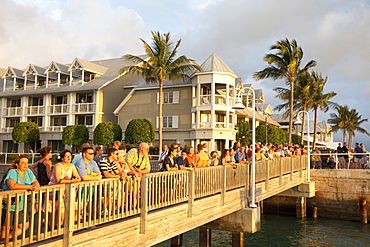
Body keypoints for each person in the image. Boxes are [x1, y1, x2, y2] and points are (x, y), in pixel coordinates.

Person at [0, 155, 40, 239]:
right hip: (8, 205)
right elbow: (12, 185)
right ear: (17, 164)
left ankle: (7, 240)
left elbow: (35, 182)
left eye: (26, 163)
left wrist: (36, 185)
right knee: (5, 229)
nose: (25, 165)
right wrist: (29, 187)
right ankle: (4, 240)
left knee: (24, 226)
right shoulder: (13, 172)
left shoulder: (28, 171)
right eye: (22, 163)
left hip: (21, 205)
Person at [46, 150, 81, 223]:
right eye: (66, 156)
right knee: (52, 211)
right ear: (62, 158)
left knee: (64, 210)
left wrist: (77, 178)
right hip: (55, 189)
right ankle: (50, 226)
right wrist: (72, 181)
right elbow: (59, 180)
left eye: (70, 156)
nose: (69, 158)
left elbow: (77, 176)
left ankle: (62, 226)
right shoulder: (57, 166)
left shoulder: (72, 165)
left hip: (66, 190)